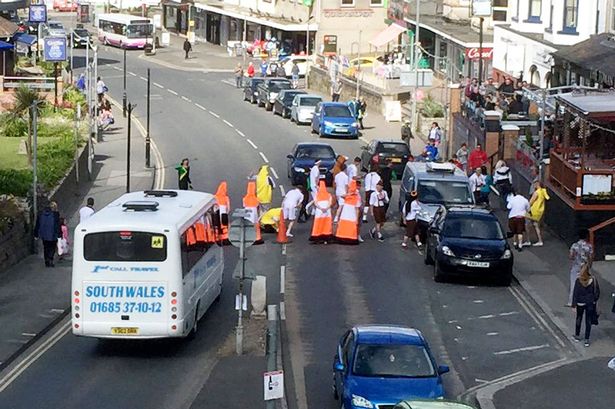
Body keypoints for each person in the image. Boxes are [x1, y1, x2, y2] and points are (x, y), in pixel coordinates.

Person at [572, 264, 600, 347]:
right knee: (588, 321)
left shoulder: (578, 280)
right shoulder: (593, 280)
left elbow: (575, 293)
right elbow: (597, 292)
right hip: (590, 303)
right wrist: (594, 300)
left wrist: (574, 305)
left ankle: (577, 336)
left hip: (580, 302)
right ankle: (587, 340)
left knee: (579, 318)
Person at [568, 230, 594, 306]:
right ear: (586, 236)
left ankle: (571, 302)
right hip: (585, 267)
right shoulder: (589, 246)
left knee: (573, 283)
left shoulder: (574, 245)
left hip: (576, 266)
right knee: (586, 284)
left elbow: (571, 257)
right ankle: (585, 301)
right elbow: (591, 257)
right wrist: (589, 267)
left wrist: (574, 255)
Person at [335, 180, 361, 244]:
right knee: (350, 226)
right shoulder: (356, 196)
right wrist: (357, 219)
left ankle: (342, 237)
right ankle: (350, 237)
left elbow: (342, 196)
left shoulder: (350, 195)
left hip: (346, 213)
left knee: (344, 226)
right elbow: (357, 209)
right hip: (351, 214)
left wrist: (349, 194)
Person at [526, 180, 550, 246]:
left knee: (527, 225)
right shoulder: (543, 191)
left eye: (534, 184)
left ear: (537, 184)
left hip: (533, 210)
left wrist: (526, 208)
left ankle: (528, 240)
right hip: (539, 211)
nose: (533, 186)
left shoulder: (536, 193)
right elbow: (547, 198)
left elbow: (531, 202)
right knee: (536, 225)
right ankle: (540, 240)